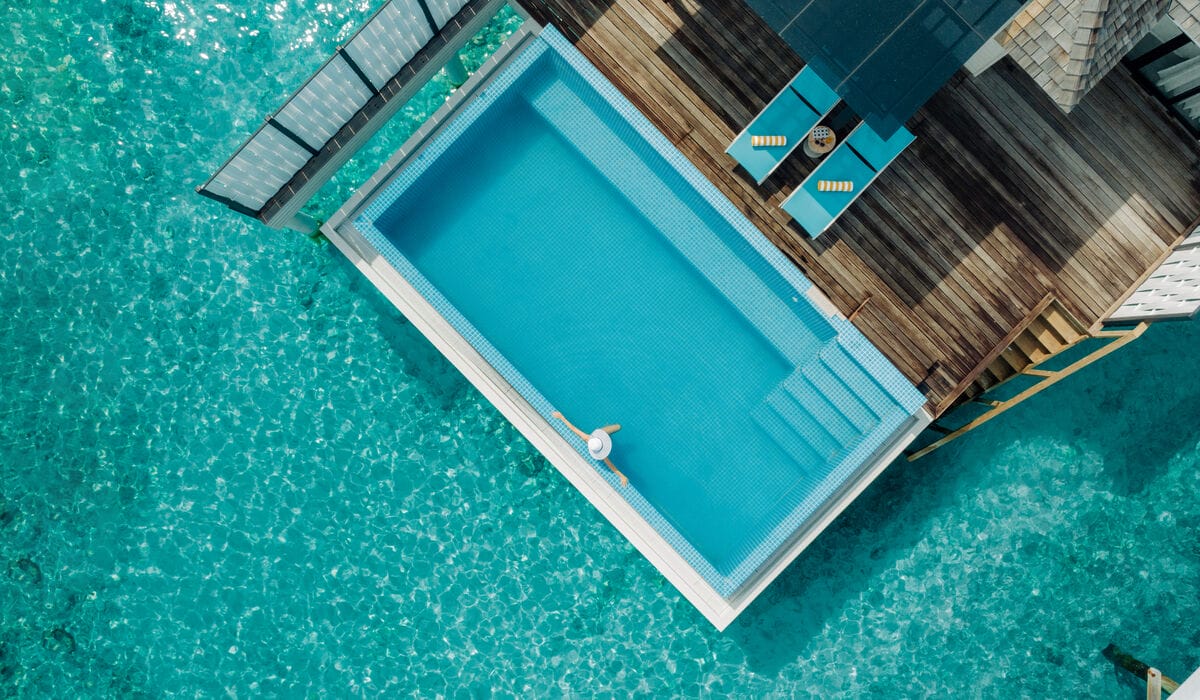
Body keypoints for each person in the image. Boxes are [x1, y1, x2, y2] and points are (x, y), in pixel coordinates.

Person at [551, 411, 628, 487]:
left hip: (599, 435)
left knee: (615, 427)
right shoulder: (588, 438)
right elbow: (611, 466)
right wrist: (561, 417)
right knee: (618, 426)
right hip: (601, 433)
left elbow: (573, 428)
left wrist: (561, 417)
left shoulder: (587, 438)